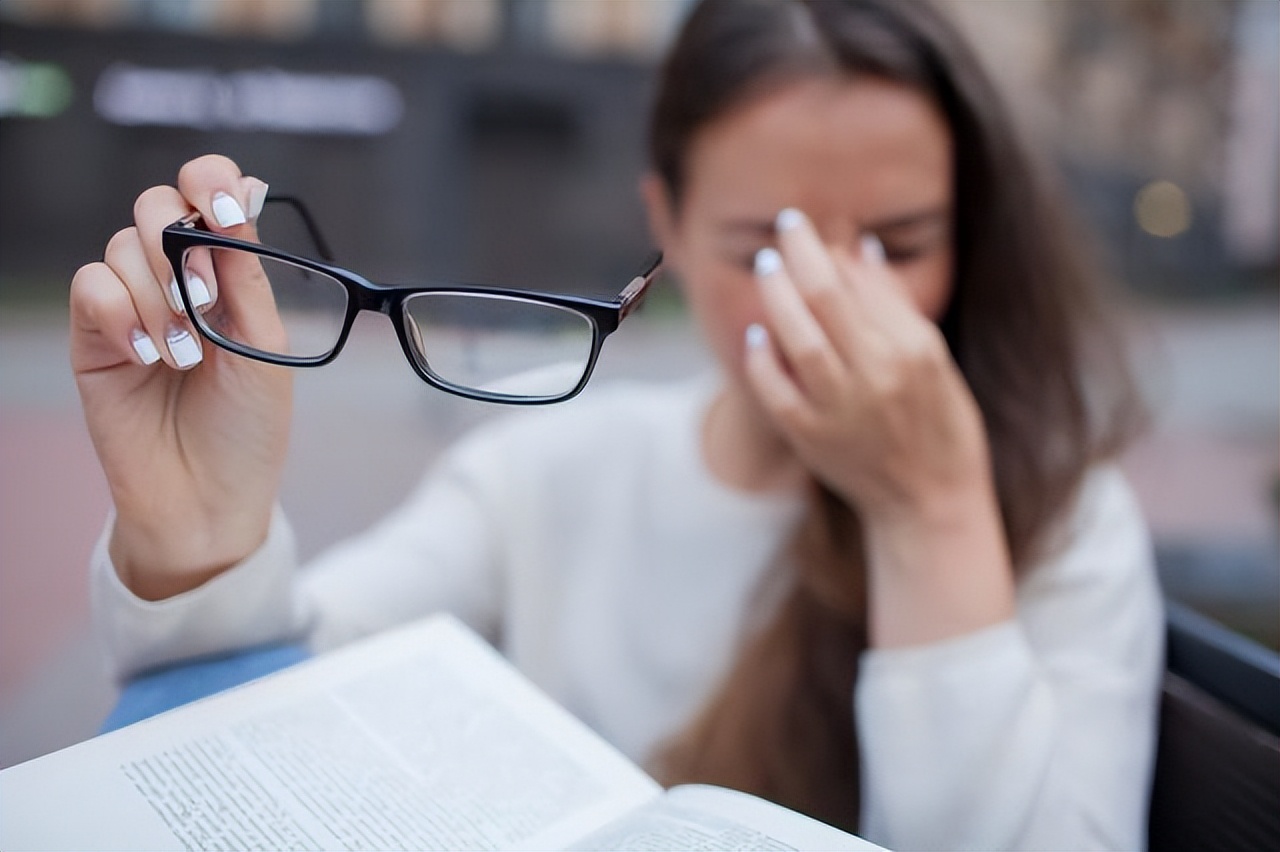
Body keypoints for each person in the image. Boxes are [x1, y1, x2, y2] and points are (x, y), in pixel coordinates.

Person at [70, 0, 1163, 848]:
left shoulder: (1057, 519)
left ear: (971, 238)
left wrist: (931, 511)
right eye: (764, 253)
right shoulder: (547, 470)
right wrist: (200, 532)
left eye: (899, 242)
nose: (830, 302)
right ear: (668, 233)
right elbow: (275, 717)